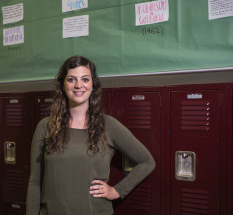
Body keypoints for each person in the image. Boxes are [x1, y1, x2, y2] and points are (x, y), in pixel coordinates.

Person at [26, 56, 155, 215]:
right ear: (63, 85)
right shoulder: (46, 126)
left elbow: (147, 162)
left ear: (93, 85)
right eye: (71, 79)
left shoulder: (108, 125)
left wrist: (116, 191)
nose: (78, 85)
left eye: (85, 79)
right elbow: (35, 182)